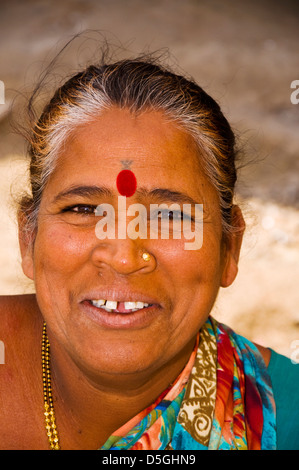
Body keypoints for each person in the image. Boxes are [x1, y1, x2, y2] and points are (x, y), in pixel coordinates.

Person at [0, 54, 298, 450]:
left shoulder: (286, 421)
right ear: (28, 237)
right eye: (85, 210)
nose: (124, 257)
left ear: (230, 247)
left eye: (169, 215)